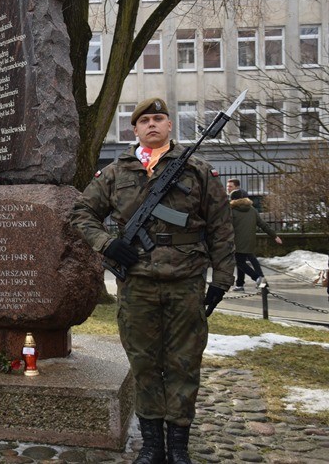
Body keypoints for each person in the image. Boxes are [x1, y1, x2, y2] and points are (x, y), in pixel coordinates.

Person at [71, 98, 235, 464]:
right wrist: (108, 243)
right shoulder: (115, 173)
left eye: (159, 118)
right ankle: (152, 446)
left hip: (186, 280)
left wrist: (222, 279)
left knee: (184, 363)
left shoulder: (197, 170)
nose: (152, 125)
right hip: (138, 284)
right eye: (144, 120)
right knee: (144, 363)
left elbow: (222, 228)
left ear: (169, 125)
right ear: (135, 130)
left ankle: (177, 446)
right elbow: (81, 213)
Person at [229, 188, 282, 291]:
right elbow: (263, 224)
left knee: (240, 263)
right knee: (246, 260)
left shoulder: (231, 210)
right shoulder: (252, 209)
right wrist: (274, 236)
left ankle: (257, 278)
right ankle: (240, 284)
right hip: (250, 241)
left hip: (236, 242)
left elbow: (226, 227)